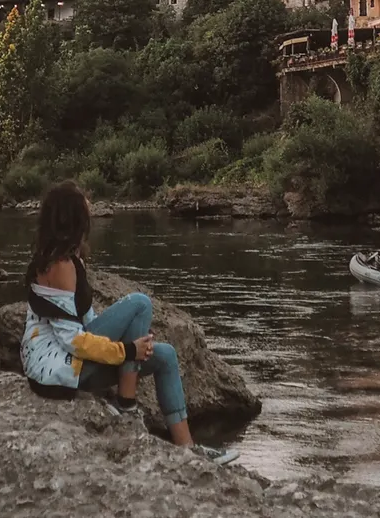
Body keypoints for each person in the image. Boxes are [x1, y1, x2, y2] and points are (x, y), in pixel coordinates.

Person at [20, 181, 238, 466]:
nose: (91, 207)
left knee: (166, 355)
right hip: (56, 371)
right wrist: (127, 351)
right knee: (139, 303)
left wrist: (128, 346)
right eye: (85, 204)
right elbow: (72, 341)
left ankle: (188, 449)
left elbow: (89, 322)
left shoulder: (72, 259)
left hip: (72, 364)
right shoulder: (58, 265)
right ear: (73, 217)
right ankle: (128, 406)